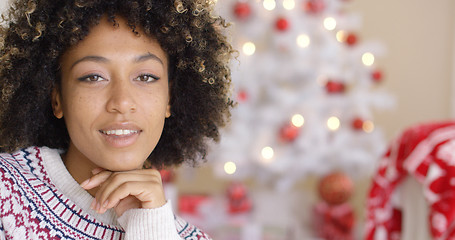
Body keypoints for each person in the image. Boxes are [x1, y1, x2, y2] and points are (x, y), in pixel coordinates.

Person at [0, 0, 234, 239]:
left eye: (145, 76)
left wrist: (152, 228)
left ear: (169, 98)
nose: (122, 102)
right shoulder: (5, 192)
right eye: (93, 77)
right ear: (57, 97)